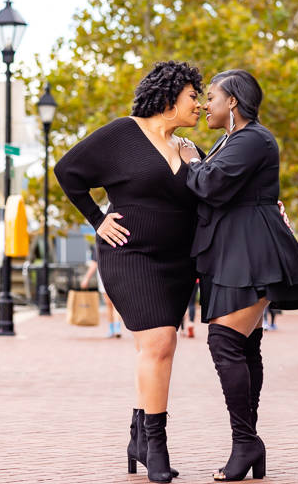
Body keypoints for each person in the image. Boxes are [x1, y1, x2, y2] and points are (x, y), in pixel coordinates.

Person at [54, 61, 204, 483]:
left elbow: (215, 198)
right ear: (170, 97)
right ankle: (156, 445)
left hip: (179, 263)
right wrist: (96, 218)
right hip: (131, 255)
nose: (198, 103)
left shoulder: (191, 149)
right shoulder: (123, 132)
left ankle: (139, 437)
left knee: (156, 349)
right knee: (158, 342)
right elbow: (68, 172)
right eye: (193, 95)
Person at [179, 69, 298, 482]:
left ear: (233, 102)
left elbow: (212, 185)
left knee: (225, 341)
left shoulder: (254, 138)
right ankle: (249, 443)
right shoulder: (231, 140)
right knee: (245, 344)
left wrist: (192, 161)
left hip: (253, 249)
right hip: (233, 250)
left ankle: (245, 442)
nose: (205, 104)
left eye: (211, 96)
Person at [79, 235, 121, 338]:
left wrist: (86, 279)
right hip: (111, 276)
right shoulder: (104, 243)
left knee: (111, 304)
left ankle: (114, 329)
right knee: (112, 304)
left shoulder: (102, 243)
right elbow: (94, 263)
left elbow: (94, 263)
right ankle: (114, 328)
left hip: (109, 276)